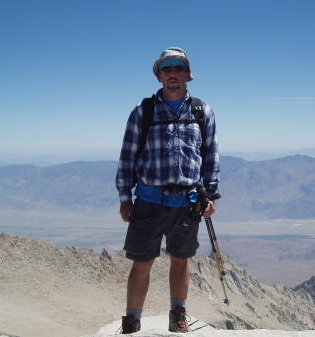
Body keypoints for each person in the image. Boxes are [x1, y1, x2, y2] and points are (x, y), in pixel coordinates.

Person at [115, 47, 220, 334]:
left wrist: (210, 195)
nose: (172, 73)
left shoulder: (202, 111)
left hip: (187, 201)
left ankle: (178, 315)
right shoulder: (143, 111)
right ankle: (131, 321)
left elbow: (210, 155)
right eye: (166, 68)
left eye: (178, 67)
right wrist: (125, 196)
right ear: (159, 75)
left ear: (188, 74)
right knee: (141, 262)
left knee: (180, 259)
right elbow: (128, 156)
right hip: (149, 199)